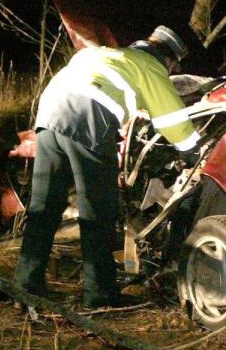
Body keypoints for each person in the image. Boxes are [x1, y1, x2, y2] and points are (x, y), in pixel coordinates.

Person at [14, 25, 201, 308]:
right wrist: (196, 152)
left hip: (50, 116)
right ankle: (100, 296)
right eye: (173, 67)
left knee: (44, 207)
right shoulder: (150, 66)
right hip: (88, 119)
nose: (171, 71)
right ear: (169, 58)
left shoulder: (103, 54)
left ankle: (25, 287)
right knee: (97, 212)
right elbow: (173, 122)